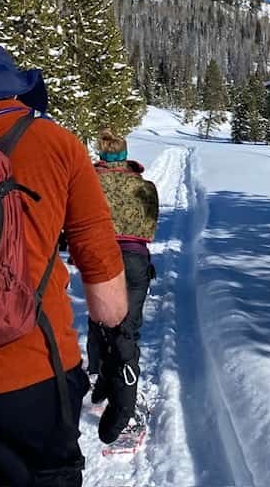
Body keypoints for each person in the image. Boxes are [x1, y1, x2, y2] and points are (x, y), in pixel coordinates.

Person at [0, 43, 138, 487]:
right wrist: (119, 356)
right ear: (16, 89)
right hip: (35, 368)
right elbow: (101, 273)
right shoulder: (54, 142)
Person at [87, 129, 158, 396]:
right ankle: (126, 389)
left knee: (100, 322)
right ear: (125, 153)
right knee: (128, 326)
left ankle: (98, 378)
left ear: (102, 153)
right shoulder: (144, 187)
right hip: (135, 258)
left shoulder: (90, 182)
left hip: (100, 258)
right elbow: (150, 227)